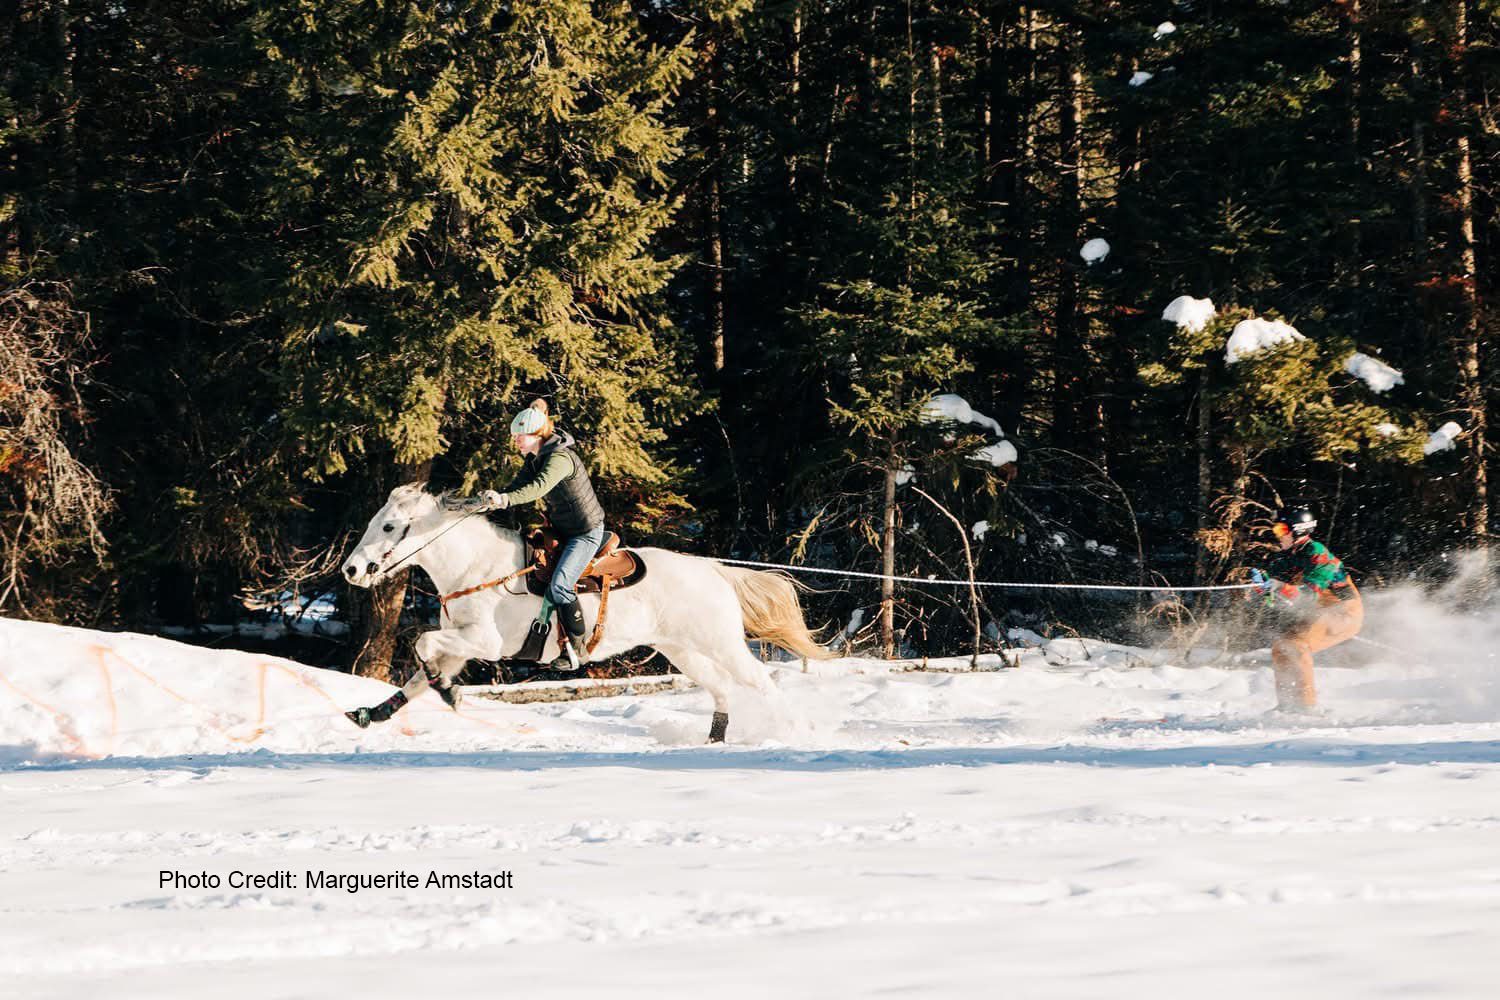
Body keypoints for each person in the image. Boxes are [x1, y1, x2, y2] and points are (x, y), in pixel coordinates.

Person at [452, 399, 606, 669]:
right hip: (561, 529)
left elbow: (537, 488)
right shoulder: (536, 458)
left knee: (560, 585)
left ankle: (579, 649)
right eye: (514, 437)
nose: (516, 442)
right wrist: (490, 500)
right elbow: (518, 485)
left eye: (519, 437)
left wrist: (507, 499)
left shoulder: (560, 459)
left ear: (536, 434)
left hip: (585, 533)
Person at [1250, 505, 1363, 712]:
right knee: (1281, 646)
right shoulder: (1287, 556)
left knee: (1295, 645)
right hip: (1318, 612)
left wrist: (1277, 586)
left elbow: (1308, 595)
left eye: (1281, 530)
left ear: (1299, 530)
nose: (1277, 536)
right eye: (1276, 530)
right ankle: (1287, 704)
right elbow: (1281, 599)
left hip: (1343, 611)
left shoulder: (1318, 554)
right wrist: (1264, 589)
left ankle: (1305, 706)